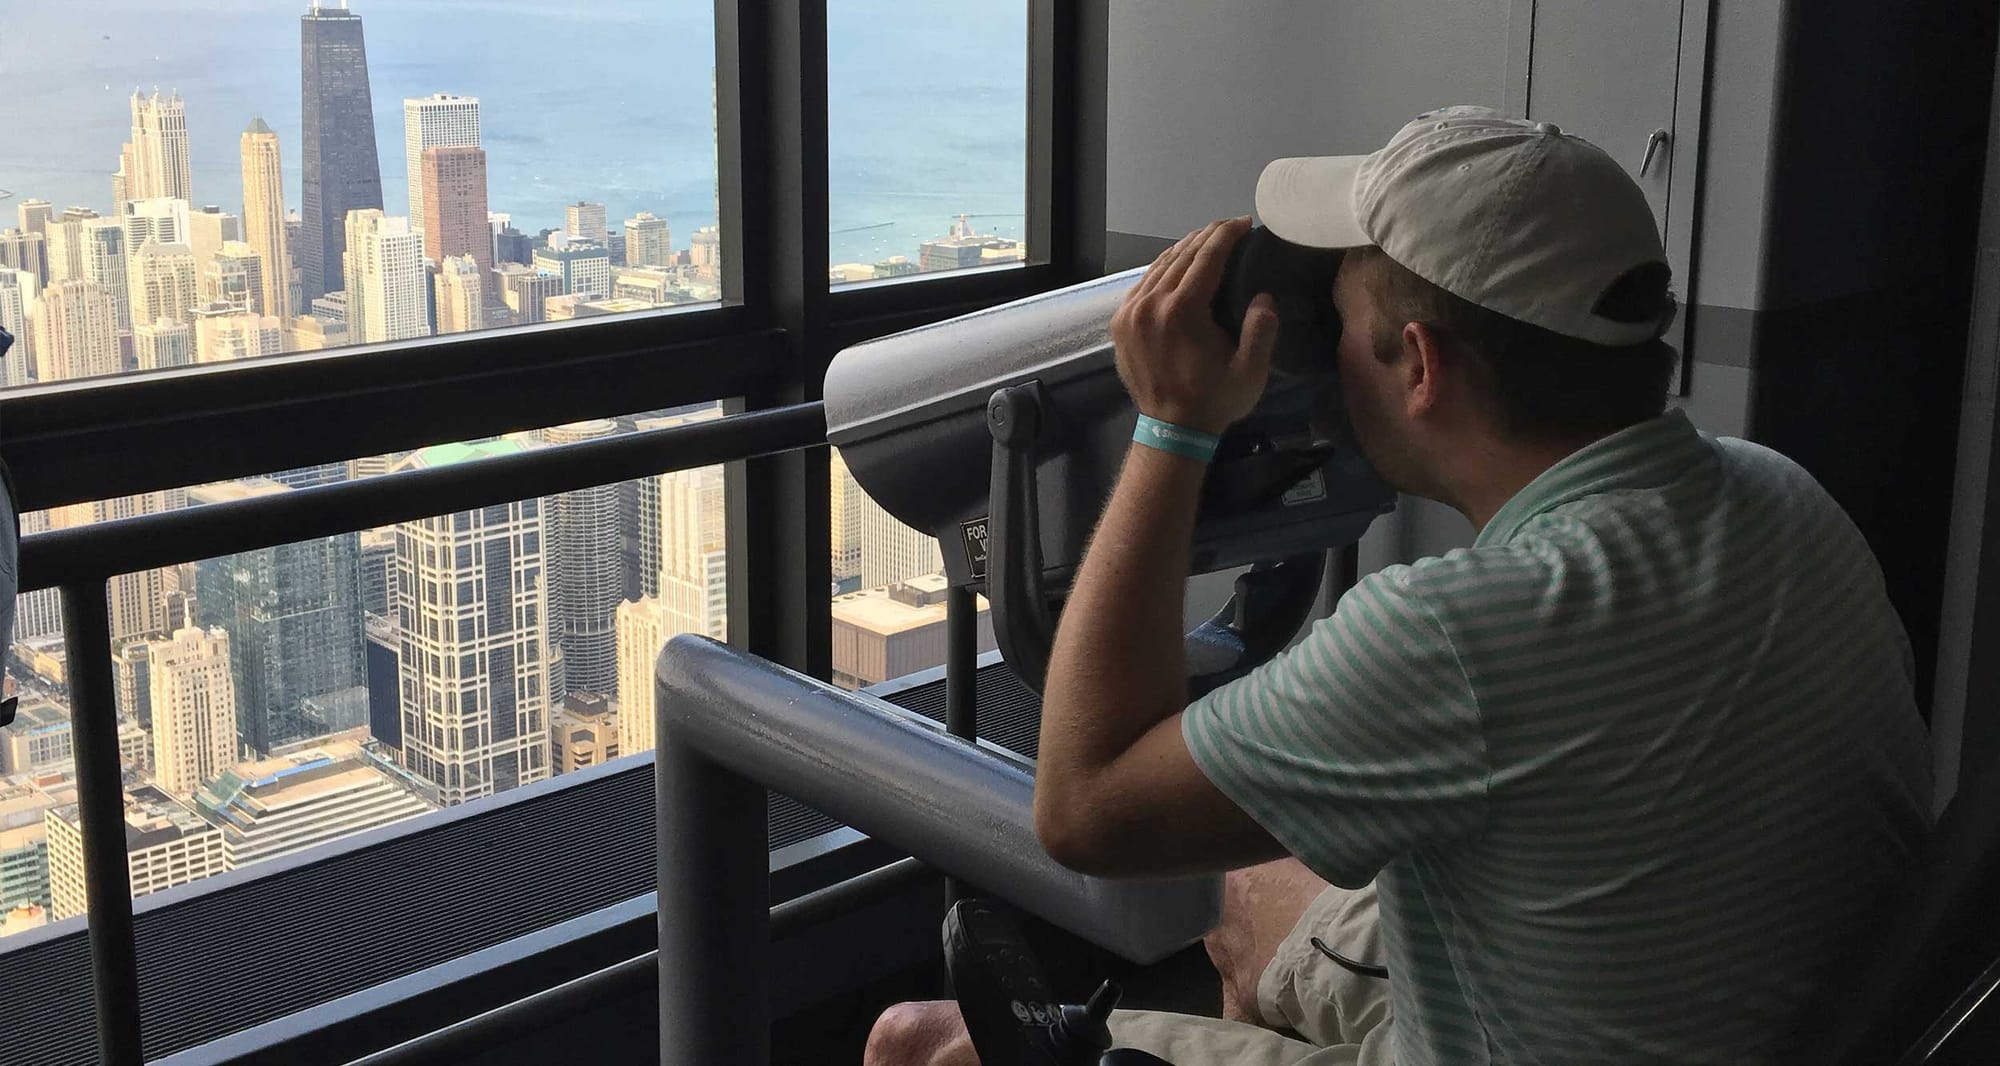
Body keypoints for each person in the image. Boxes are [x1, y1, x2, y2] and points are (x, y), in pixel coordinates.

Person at [865, 105, 1933, 1065]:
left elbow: (1085, 810)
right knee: (1244, 883)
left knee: (917, 1045)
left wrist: (1173, 427)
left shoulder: (1458, 632)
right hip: (1731, 1004)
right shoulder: (1783, 494)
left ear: (1419, 367)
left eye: (1338, 324)